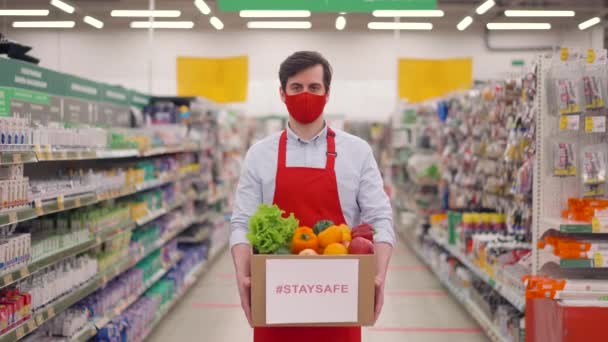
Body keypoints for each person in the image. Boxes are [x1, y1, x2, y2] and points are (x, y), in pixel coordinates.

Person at [230, 51, 395, 342]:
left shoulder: (357, 152)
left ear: (327, 94)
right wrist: (243, 275)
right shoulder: (260, 154)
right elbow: (242, 222)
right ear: (282, 93)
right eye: (296, 88)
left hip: (340, 300)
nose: (305, 95)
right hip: (276, 300)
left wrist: (378, 274)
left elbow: (380, 217)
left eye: (314, 88)